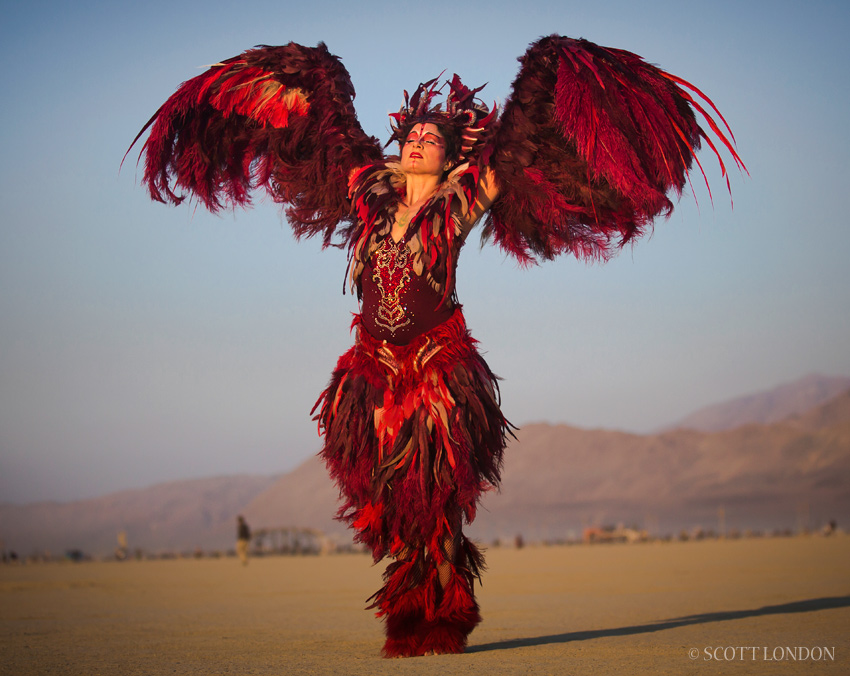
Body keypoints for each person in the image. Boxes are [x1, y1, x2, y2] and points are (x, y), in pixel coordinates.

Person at [129, 37, 743, 657]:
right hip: (369, 370)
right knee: (390, 503)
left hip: (436, 366)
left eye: (432, 139)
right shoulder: (366, 189)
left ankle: (440, 616)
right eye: (412, 136)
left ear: (450, 154)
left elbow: (516, 148)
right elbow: (317, 119)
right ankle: (409, 601)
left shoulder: (464, 196)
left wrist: (554, 67)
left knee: (436, 500)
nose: (419, 141)